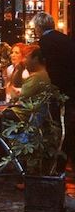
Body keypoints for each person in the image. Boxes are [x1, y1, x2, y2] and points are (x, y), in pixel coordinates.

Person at [32, 12, 75, 170]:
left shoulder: (45, 41)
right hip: (71, 86)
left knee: (54, 124)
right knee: (70, 124)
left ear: (38, 28)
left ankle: (55, 163)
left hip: (57, 88)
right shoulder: (64, 38)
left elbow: (48, 66)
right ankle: (65, 160)